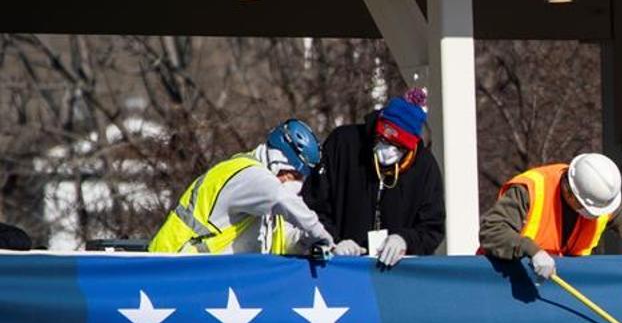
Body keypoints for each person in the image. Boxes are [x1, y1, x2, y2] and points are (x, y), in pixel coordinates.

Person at [301, 92, 445, 267]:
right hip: (341, 266)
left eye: (398, 146)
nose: (388, 149)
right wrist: (332, 241)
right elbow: (313, 203)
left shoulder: (424, 167)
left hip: (394, 273)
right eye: (383, 139)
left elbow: (432, 227)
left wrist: (405, 240)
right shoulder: (343, 144)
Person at [148, 119, 333, 254]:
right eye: (293, 175)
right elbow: (280, 198)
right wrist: (319, 232)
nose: (295, 184)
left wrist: (311, 242)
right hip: (176, 270)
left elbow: (283, 242)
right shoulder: (248, 175)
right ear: (278, 161)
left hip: (212, 283)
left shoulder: (267, 198)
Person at [479, 153, 622, 279]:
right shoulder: (531, 190)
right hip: (502, 283)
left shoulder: (598, 196)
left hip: (555, 291)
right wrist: (531, 251)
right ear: (570, 192)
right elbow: (491, 231)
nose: (594, 216)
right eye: (588, 209)